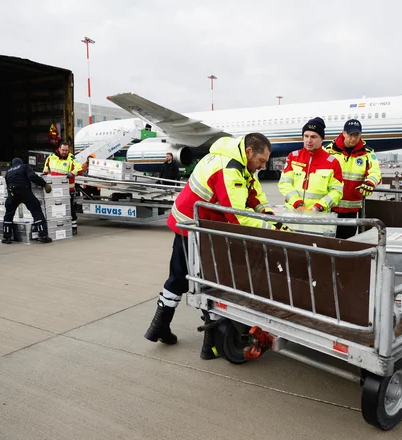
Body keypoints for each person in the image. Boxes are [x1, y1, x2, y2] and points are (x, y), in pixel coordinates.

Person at [143, 133, 286, 358]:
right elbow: (237, 216)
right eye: (261, 160)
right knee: (210, 283)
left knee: (179, 278)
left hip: (190, 224)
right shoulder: (229, 169)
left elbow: (253, 192)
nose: (263, 165)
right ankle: (209, 345)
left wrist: (266, 212)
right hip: (195, 228)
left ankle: (159, 327)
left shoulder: (238, 161)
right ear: (249, 152)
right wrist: (273, 228)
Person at [324, 119, 381, 238]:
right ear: (343, 133)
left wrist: (370, 182)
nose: (354, 139)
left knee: (346, 243)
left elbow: (375, 172)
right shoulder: (328, 150)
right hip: (328, 207)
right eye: (350, 135)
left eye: (357, 135)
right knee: (326, 243)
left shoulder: (368, 153)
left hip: (350, 210)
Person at [278, 117, 344, 214]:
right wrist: (297, 203)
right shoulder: (293, 157)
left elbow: (337, 191)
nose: (308, 140)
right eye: (306, 136)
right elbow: (284, 184)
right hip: (293, 213)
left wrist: (319, 206)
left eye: (313, 137)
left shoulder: (332, 162)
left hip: (318, 216)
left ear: (322, 139)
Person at [2, 158, 53, 244]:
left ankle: (7, 237)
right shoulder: (24, 167)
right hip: (24, 191)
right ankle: (43, 235)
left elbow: (7, 185)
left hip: (12, 193)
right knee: (36, 211)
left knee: (8, 214)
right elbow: (32, 177)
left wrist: (9, 200)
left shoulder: (8, 172)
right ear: (21, 162)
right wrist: (44, 184)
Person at [42, 141, 82, 235]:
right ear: (59, 149)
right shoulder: (51, 158)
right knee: (55, 208)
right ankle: (57, 226)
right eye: (63, 150)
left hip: (68, 189)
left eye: (66, 150)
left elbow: (79, 169)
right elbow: (45, 170)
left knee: (70, 208)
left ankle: (73, 226)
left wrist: (72, 173)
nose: (65, 152)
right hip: (53, 189)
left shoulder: (71, 158)